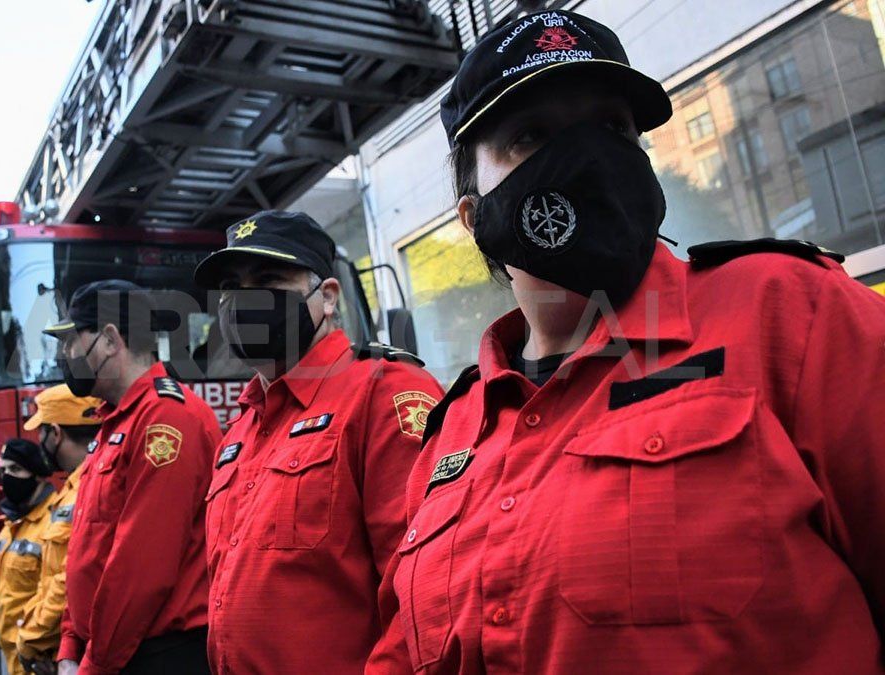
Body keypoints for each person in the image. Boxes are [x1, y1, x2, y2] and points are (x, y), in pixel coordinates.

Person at [373, 9, 885, 673]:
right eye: (531, 135)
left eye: (612, 127)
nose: (588, 158)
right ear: (474, 217)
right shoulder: (451, 434)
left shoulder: (788, 313)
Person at [191, 211, 445, 673]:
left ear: (327, 297)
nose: (243, 301)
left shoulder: (383, 394)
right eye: (231, 287)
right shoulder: (242, 430)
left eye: (268, 278)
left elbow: (424, 592)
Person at [47, 280, 220, 675]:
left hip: (158, 655)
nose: (64, 354)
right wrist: (72, 641)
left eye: (71, 340)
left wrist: (94, 663)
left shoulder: (166, 419)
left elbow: (141, 571)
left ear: (110, 339)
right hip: (116, 651)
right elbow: (88, 545)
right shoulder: (113, 422)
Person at [13, 386, 104, 675]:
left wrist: (32, 637)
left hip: (71, 653)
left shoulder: (85, 489)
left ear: (55, 433)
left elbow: (70, 578)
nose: (38, 442)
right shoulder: (72, 489)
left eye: (40, 432)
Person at [0, 438, 58, 675]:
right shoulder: (11, 526)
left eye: (16, 469)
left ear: (39, 475)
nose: (7, 477)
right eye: (4, 470)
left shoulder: (54, 523)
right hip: (15, 658)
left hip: (40, 660)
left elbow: (57, 595)